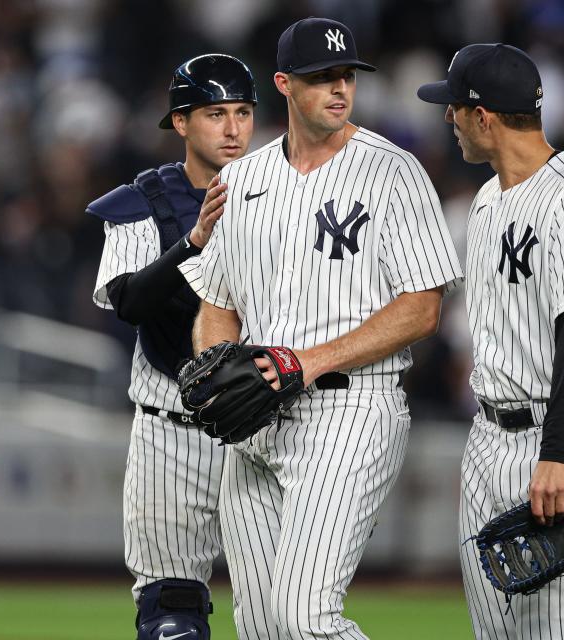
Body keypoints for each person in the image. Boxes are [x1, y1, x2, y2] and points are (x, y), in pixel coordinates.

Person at [179, 18, 463, 640]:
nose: (338, 88)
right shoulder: (242, 180)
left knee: (305, 620)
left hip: (348, 413)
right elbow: (216, 300)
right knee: (259, 629)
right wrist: (221, 361)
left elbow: (422, 307)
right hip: (255, 420)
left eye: (345, 75)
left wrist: (304, 362)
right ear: (283, 84)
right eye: (319, 78)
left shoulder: (393, 173)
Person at [418, 44, 564, 639]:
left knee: (557, 632)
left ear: (482, 117)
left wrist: (560, 454)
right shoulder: (487, 201)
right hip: (490, 436)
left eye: (453, 107)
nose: (447, 118)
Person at [88, 53, 256, 640]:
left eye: (242, 112)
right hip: (171, 431)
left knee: (282, 611)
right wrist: (192, 242)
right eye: (215, 114)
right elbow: (130, 303)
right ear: (180, 123)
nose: (233, 128)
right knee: (172, 613)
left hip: (266, 429)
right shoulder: (145, 201)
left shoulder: (286, 196)